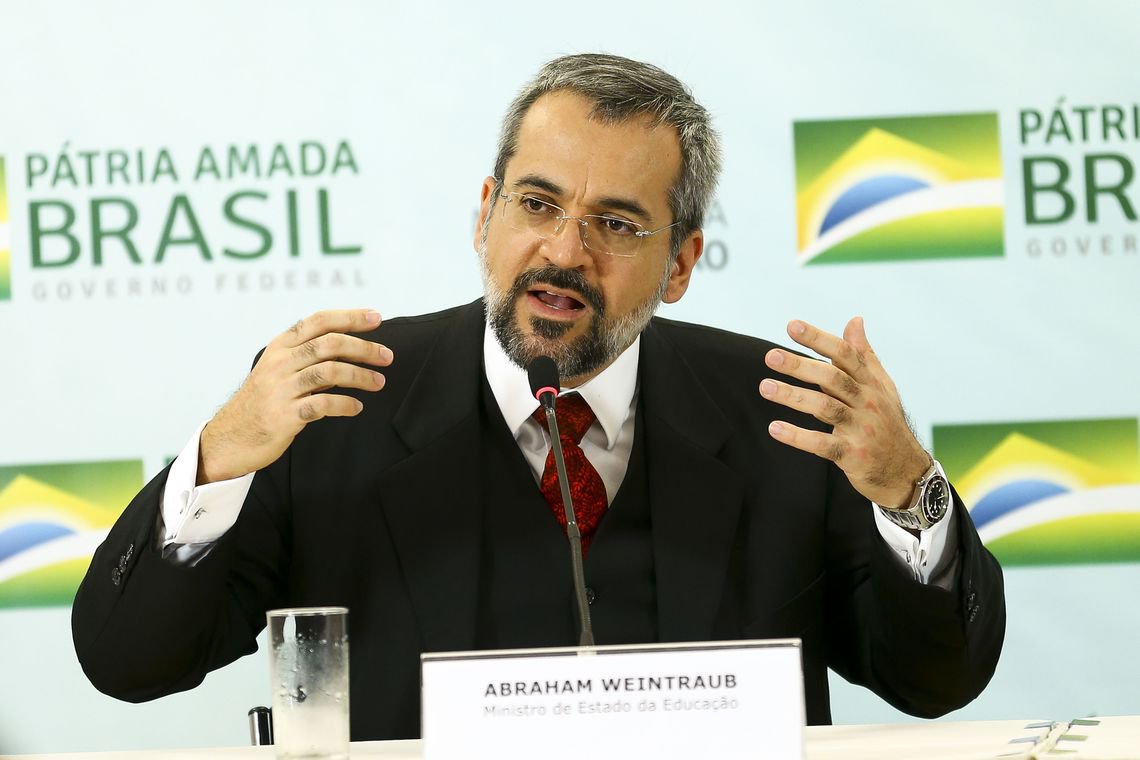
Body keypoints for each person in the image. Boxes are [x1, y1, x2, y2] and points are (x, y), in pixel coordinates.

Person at [72, 53, 1005, 740]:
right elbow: (128, 661)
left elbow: (935, 681)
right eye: (536, 203)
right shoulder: (338, 402)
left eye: (617, 224)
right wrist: (221, 457)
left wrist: (908, 491)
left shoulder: (782, 414)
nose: (564, 251)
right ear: (485, 213)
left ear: (681, 263)